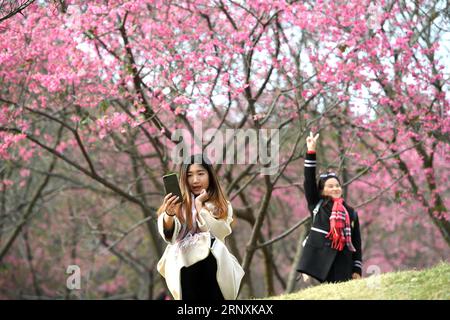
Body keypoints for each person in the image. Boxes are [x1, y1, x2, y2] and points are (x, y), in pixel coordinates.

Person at [156, 154, 244, 300]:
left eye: (201, 174)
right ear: (184, 178)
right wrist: (169, 214)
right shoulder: (178, 205)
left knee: (207, 251)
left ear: (210, 176)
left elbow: (217, 234)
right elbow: (169, 235)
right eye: (190, 175)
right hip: (183, 264)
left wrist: (200, 207)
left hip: (213, 263)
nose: (195, 180)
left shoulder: (221, 205)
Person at [297, 132, 363, 283]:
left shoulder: (351, 213)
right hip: (321, 259)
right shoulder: (317, 204)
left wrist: (357, 268)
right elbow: (308, 179)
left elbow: (357, 242)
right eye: (330, 186)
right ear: (322, 190)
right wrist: (311, 151)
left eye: (337, 185)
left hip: (344, 260)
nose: (335, 189)